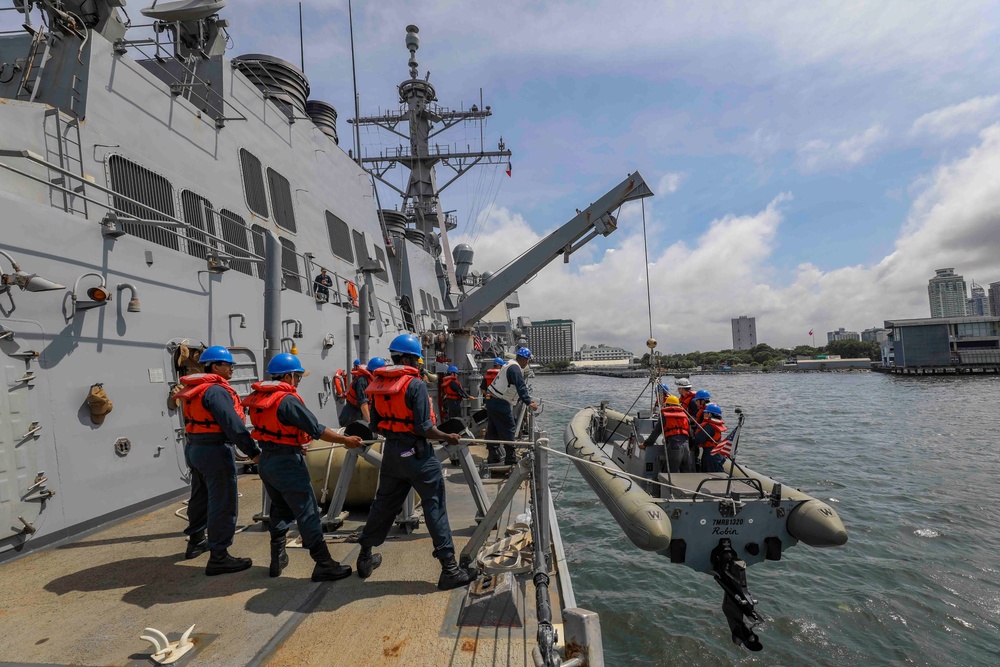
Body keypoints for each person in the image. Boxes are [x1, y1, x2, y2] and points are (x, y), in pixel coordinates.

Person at [354, 333, 472, 591]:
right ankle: (449, 569)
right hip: (418, 455)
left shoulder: (377, 383)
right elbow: (425, 428)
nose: (419, 364)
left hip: (393, 455)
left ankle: (364, 555)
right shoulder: (415, 385)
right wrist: (448, 437)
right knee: (434, 506)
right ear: (407, 358)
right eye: (417, 359)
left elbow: (375, 426)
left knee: (383, 506)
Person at [243, 353, 363, 580]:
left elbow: (275, 429)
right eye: (297, 377)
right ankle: (324, 563)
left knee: (279, 509)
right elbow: (317, 429)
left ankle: (277, 558)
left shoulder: (258, 396)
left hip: (267, 461)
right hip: (287, 464)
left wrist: (293, 445)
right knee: (308, 512)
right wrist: (345, 440)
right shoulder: (286, 400)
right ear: (288, 376)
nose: (298, 381)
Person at [175, 345, 261, 576]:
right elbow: (233, 426)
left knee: (200, 497)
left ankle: (195, 542)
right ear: (215, 366)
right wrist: (253, 452)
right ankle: (219, 557)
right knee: (222, 502)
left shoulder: (196, 389)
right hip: (214, 451)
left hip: (194, 448)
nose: (232, 368)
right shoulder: (215, 391)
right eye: (228, 365)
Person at [485, 347, 539, 465]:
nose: (527, 363)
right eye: (528, 360)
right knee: (509, 427)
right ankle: (510, 458)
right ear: (524, 360)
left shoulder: (509, 364)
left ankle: (493, 455)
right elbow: (521, 386)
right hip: (500, 401)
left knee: (493, 428)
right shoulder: (515, 369)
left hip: (491, 399)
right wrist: (529, 402)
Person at [640, 395, 692, 494]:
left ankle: (666, 495)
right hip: (686, 446)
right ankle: (688, 494)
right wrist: (692, 447)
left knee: (669, 474)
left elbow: (655, 433)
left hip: (674, 447)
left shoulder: (664, 416)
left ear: (667, 404)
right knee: (686, 473)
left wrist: (645, 444)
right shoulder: (685, 415)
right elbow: (691, 434)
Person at [340, 357, 384, 426]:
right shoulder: (362, 381)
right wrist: (371, 422)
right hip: (350, 415)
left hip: (359, 414)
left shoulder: (372, 380)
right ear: (375, 372)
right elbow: (363, 403)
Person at [693, 403, 727, 473]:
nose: (704, 414)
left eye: (706, 413)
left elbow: (699, 440)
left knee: (709, 472)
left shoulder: (709, 426)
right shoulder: (715, 424)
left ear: (710, 414)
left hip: (710, 454)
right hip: (717, 452)